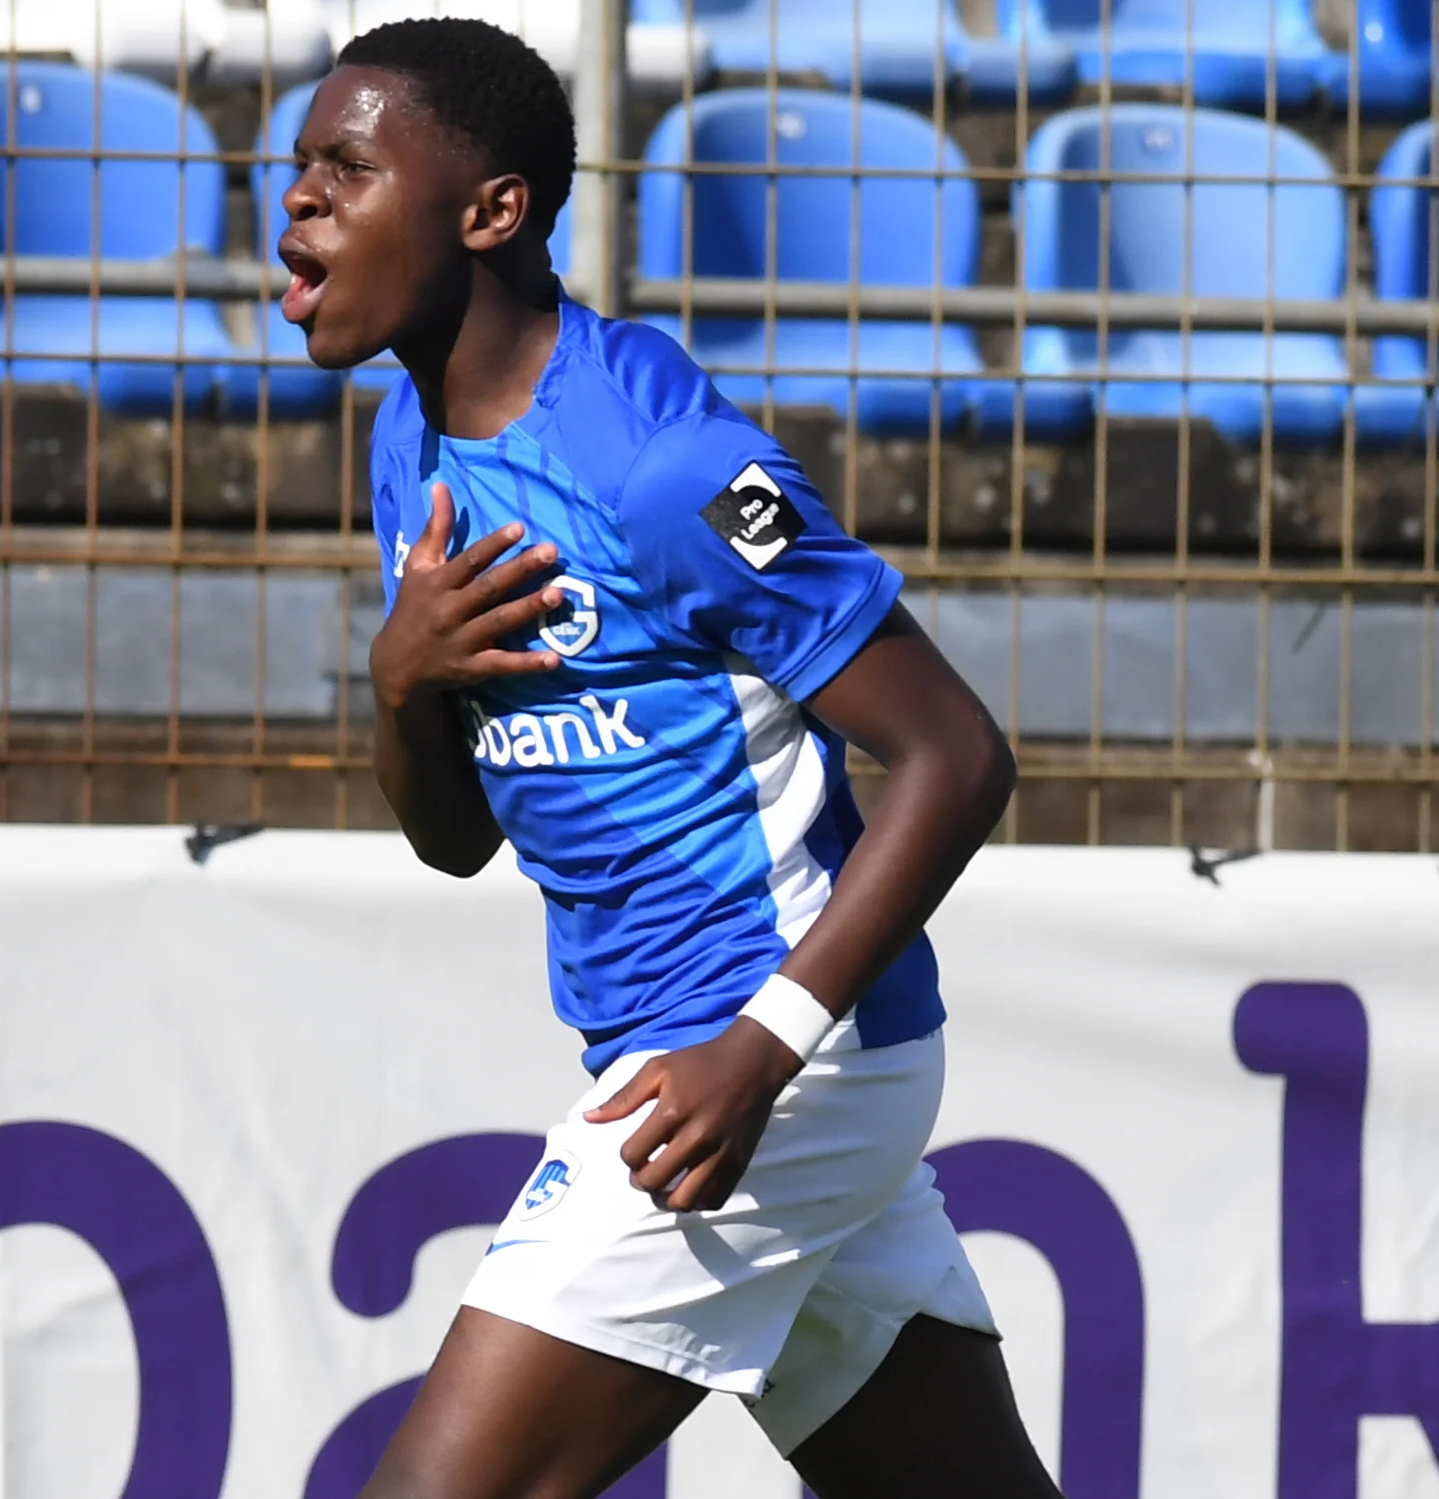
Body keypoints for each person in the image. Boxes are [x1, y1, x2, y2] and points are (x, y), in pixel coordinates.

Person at [276, 17, 1064, 1499]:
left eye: (346, 166)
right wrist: (398, 687)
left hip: (756, 1058)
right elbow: (456, 839)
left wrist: (758, 1051)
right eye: (296, 167)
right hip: (707, 1060)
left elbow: (955, 752)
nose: (297, 200)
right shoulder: (410, 441)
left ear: (491, 210)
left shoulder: (662, 467)